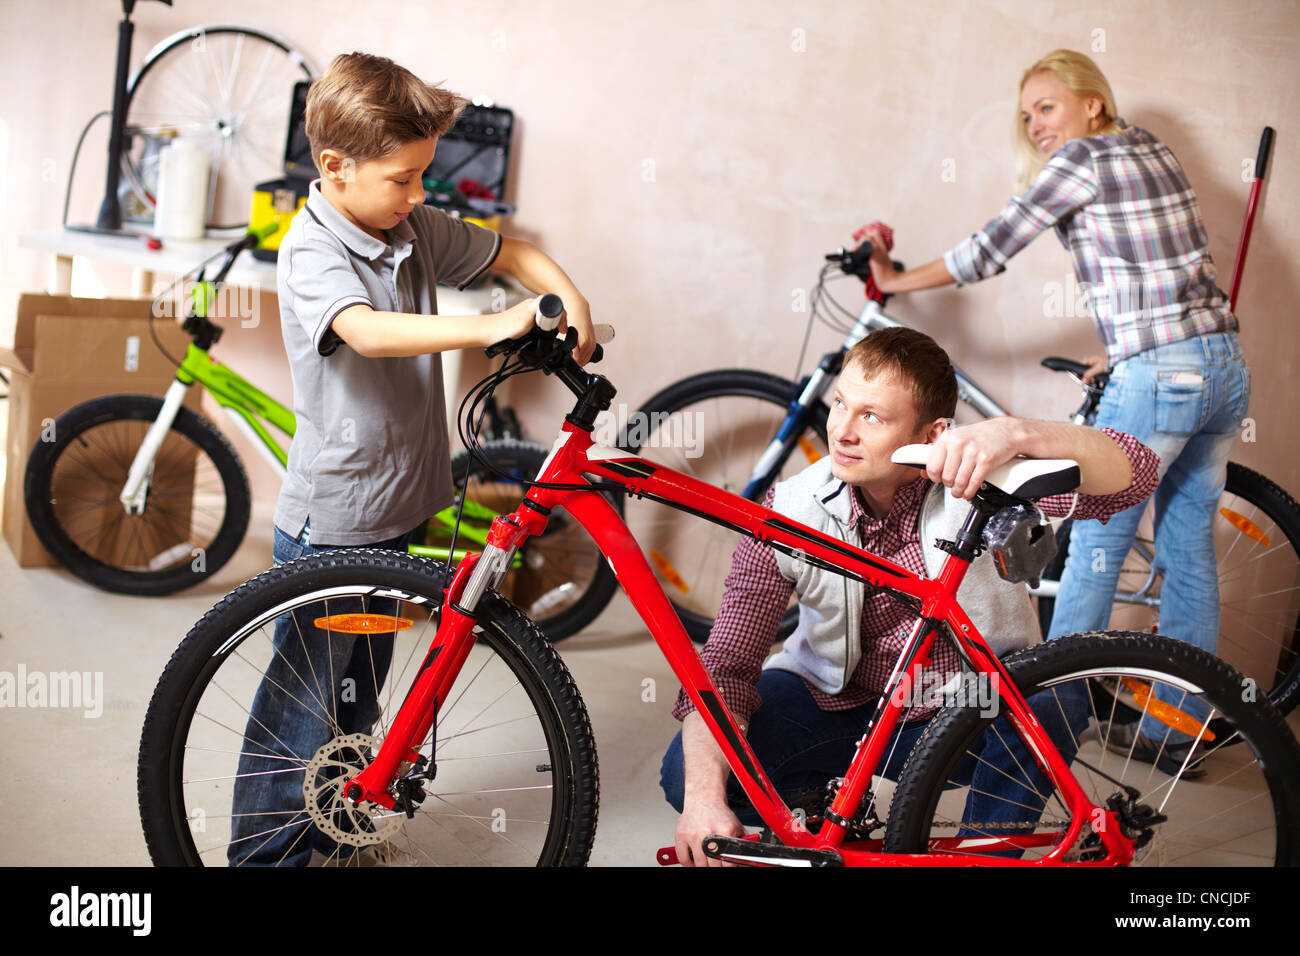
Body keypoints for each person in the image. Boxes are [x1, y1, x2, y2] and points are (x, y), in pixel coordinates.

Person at [228, 51, 595, 866]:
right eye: (404, 177)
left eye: (422, 175)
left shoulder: (406, 222)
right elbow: (367, 331)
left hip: (399, 516)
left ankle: (339, 819)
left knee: (359, 698)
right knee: (303, 709)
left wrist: (570, 297)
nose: (419, 194)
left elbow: (514, 252)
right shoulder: (312, 248)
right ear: (336, 167)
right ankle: (263, 858)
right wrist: (487, 325)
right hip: (335, 527)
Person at [856, 49, 1248, 773]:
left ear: (1090, 103)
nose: (1035, 123)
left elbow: (990, 250)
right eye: (1026, 113)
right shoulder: (1152, 150)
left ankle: (1043, 745)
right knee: (1189, 551)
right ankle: (1181, 737)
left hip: (1160, 374)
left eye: (1046, 106)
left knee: (1094, 547)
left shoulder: (1083, 160)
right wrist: (1127, 353)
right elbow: (1163, 266)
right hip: (1220, 366)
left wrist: (895, 278)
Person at [660, 326, 1159, 866]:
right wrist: (705, 800)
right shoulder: (790, 508)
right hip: (836, 701)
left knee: (1053, 698)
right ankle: (824, 830)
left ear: (932, 431)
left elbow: (1138, 472)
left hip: (962, 712)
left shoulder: (987, 480)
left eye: (872, 417)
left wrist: (1013, 433)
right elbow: (727, 667)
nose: (842, 433)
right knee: (689, 775)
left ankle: (985, 858)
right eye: (841, 405)